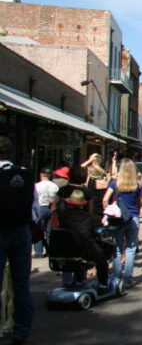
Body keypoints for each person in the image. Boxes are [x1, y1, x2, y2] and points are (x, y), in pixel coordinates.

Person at [0, 136, 35, 343]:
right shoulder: (24, 173)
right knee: (21, 284)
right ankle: (22, 329)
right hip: (21, 230)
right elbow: (34, 207)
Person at [56, 167, 109, 289]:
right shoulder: (86, 196)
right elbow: (90, 215)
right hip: (82, 244)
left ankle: (69, 282)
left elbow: (54, 206)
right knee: (99, 255)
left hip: (65, 241)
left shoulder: (63, 195)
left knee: (70, 253)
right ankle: (102, 284)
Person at [102, 159, 142, 287]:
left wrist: (108, 210)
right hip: (133, 218)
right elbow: (140, 202)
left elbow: (105, 199)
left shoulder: (114, 183)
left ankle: (116, 277)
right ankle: (128, 278)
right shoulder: (137, 184)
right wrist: (138, 208)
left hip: (118, 218)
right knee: (131, 249)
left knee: (117, 248)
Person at [33, 168, 58, 258]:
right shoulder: (54, 186)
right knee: (49, 231)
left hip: (41, 207)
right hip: (51, 207)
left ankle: (39, 252)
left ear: (41, 175)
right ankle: (49, 251)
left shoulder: (37, 185)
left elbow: (34, 198)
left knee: (39, 229)